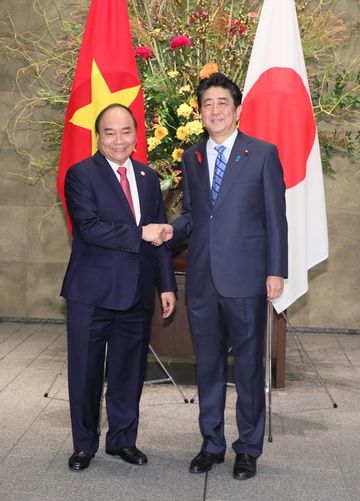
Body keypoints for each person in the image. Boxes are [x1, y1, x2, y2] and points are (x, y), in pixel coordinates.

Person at [165, 73, 288, 480]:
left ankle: (248, 448)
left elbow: (276, 217)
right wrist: (170, 230)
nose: (214, 110)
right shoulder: (192, 157)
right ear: (200, 114)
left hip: (247, 278)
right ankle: (212, 444)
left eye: (222, 103)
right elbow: (195, 216)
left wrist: (276, 271)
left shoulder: (263, 153)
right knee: (208, 366)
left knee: (249, 366)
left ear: (237, 109)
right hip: (202, 278)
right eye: (207, 104)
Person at [61, 103, 176, 471]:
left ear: (136, 135)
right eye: (109, 133)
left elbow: (159, 234)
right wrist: (138, 233)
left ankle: (122, 440)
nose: (118, 140)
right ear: (98, 136)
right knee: (86, 371)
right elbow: (88, 228)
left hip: (137, 294)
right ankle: (84, 445)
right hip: (91, 294)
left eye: (125, 131)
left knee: (129, 372)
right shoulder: (81, 174)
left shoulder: (147, 176)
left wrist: (167, 286)